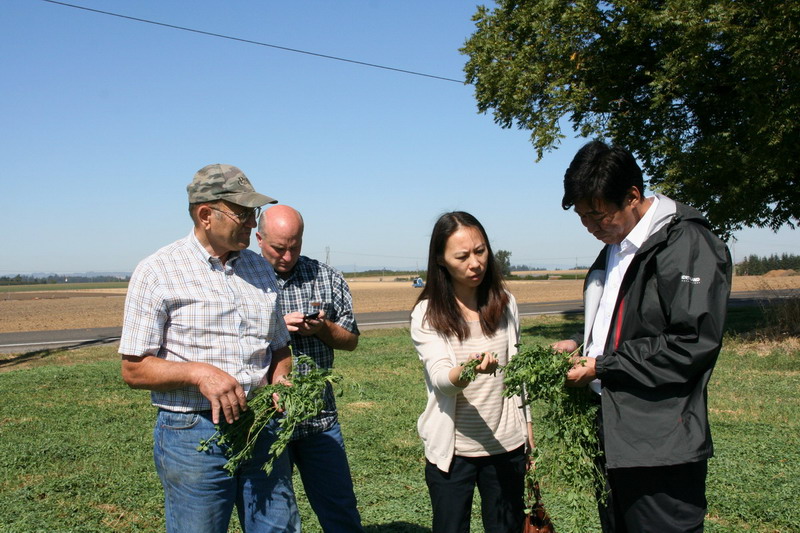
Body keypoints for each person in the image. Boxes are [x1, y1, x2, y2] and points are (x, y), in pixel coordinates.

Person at [554, 141, 732, 533]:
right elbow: (626, 323)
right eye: (582, 218)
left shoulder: (686, 244)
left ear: (633, 196)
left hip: (660, 444)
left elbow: (691, 343)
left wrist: (602, 365)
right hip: (615, 437)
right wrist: (582, 345)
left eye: (598, 216)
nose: (591, 228)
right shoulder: (618, 245)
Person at [119, 164, 299, 533]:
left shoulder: (260, 269)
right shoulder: (158, 271)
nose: (252, 223)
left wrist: (281, 378)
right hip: (193, 432)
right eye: (243, 213)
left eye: (255, 213)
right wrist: (200, 373)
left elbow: (280, 348)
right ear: (205, 215)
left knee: (278, 527)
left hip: (261, 426)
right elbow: (134, 368)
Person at [410, 211, 531, 533]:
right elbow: (441, 380)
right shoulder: (427, 313)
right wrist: (467, 371)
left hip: (507, 447)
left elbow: (517, 373)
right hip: (455, 452)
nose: (475, 263)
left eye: (480, 251)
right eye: (462, 256)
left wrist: (528, 430)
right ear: (441, 260)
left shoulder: (506, 303)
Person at [256, 205, 364, 533]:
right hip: (266, 423)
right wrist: (277, 327)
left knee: (340, 510)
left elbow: (350, 340)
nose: (287, 256)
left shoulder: (325, 277)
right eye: (278, 248)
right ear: (258, 239)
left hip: (319, 420)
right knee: (274, 520)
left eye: (295, 246)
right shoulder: (242, 279)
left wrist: (321, 328)